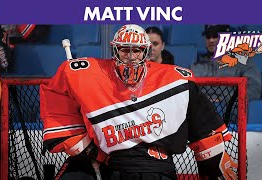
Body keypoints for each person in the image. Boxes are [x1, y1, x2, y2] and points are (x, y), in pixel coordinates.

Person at [40, 24, 238, 180]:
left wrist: (215, 163)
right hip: (115, 166)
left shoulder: (175, 80)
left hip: (160, 168)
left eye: (137, 51)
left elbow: (204, 128)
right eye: (125, 50)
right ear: (114, 50)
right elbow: (56, 105)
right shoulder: (84, 75)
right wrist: (86, 150)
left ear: (146, 52)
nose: (131, 57)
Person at [192, 24, 262, 101]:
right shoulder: (196, 67)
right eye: (208, 36)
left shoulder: (244, 63)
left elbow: (253, 92)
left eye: (215, 35)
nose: (211, 40)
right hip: (202, 110)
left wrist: (226, 103)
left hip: (231, 111)